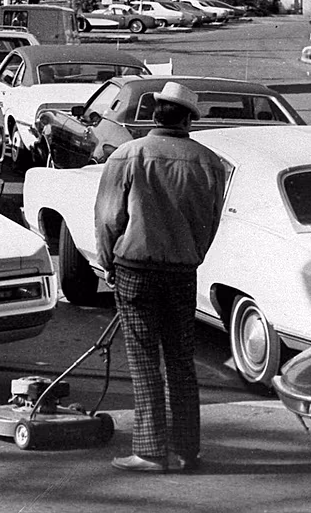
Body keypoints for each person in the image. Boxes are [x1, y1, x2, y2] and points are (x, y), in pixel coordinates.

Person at [94, 80, 225, 474]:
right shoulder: (209, 162)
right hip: (182, 270)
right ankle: (186, 450)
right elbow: (209, 222)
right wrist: (192, 256)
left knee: (144, 359)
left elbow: (108, 219)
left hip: (135, 267)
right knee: (181, 361)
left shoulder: (128, 154)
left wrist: (108, 264)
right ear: (189, 120)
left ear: (154, 114)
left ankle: (150, 452)